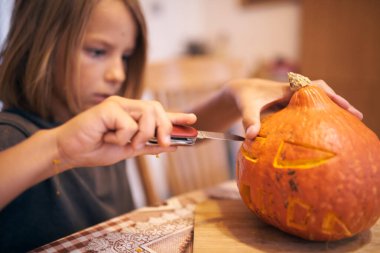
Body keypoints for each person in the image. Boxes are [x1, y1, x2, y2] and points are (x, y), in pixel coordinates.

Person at [0, 0, 362, 252]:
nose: (118, 74)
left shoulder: (107, 126)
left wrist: (231, 95)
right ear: (39, 45)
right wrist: (58, 148)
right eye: (97, 51)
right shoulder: (12, 137)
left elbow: (191, 128)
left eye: (126, 56)